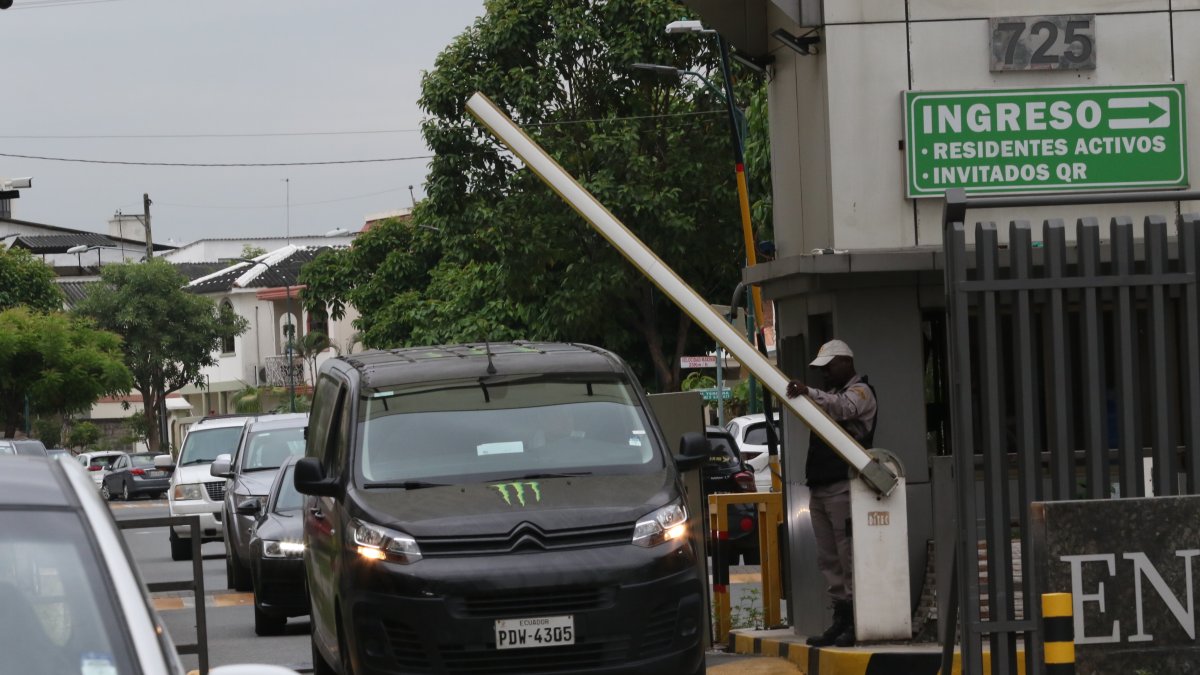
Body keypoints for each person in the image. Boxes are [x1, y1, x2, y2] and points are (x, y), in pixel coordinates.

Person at [786, 339, 877, 648]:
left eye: (828, 367)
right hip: (821, 486)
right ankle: (841, 618)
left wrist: (808, 392)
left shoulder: (860, 393)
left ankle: (854, 620)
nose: (823, 374)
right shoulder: (831, 394)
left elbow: (843, 408)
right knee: (829, 558)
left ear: (845, 363)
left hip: (843, 486)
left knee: (847, 555)